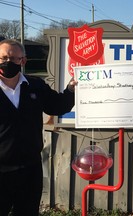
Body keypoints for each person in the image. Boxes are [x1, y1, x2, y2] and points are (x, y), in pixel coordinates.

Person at [0, 39, 77, 216]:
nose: (7, 62)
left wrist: (71, 89)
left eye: (13, 58)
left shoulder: (35, 85)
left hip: (30, 169)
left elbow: (57, 106)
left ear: (23, 61)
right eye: (3, 58)